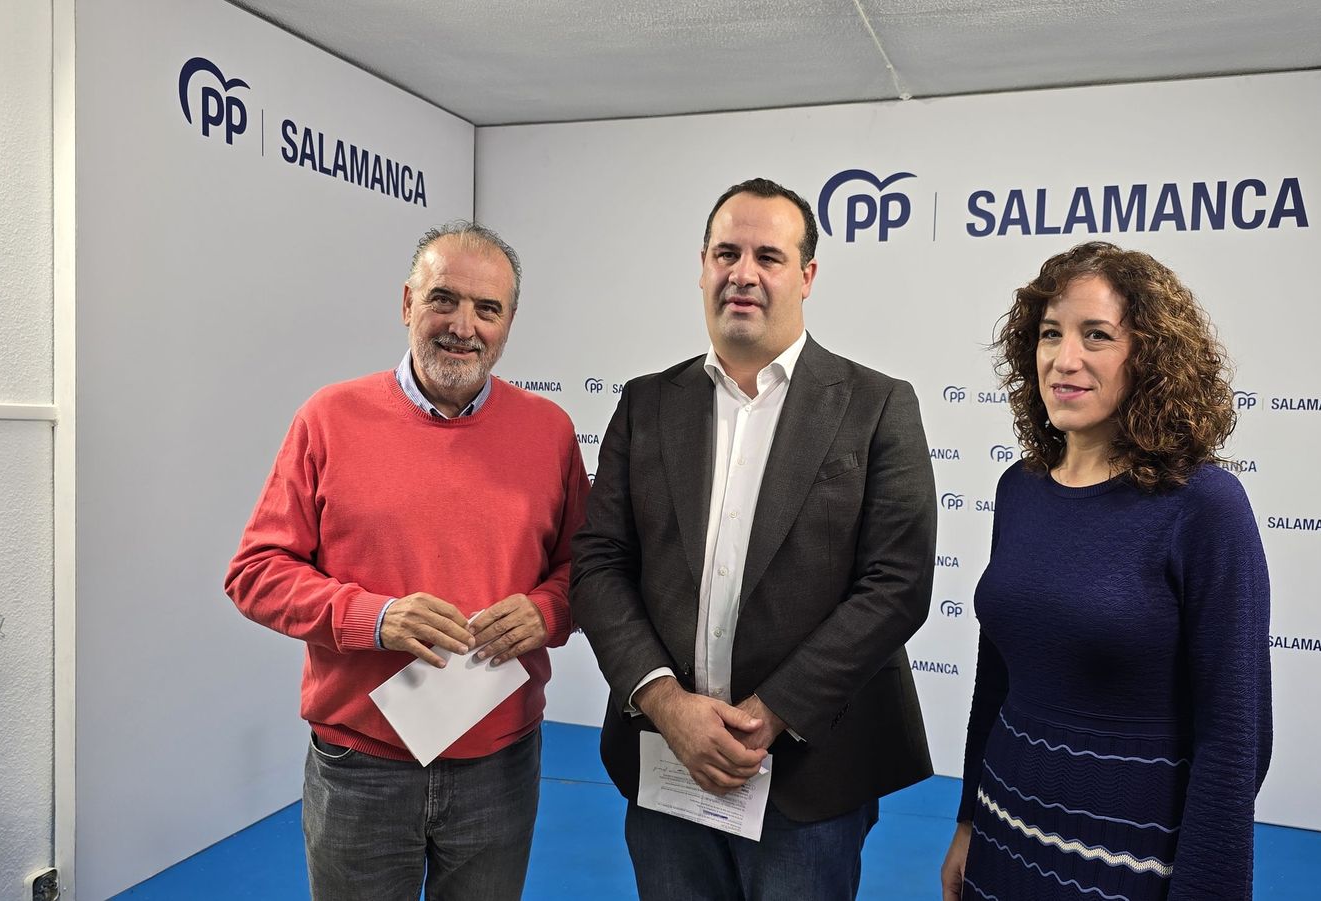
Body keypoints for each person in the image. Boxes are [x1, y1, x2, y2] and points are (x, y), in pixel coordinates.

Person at [570, 177, 938, 900]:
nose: (743, 273)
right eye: (726, 252)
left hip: (811, 775)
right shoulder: (646, 403)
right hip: (665, 763)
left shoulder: (877, 404)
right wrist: (668, 705)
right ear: (702, 266)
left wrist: (769, 715)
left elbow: (897, 584)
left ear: (806, 276)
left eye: (768, 255)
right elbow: (599, 564)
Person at [224, 222, 588, 901]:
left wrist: (547, 610)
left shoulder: (550, 431)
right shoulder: (328, 418)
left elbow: (588, 570)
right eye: (443, 299)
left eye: (488, 308)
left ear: (509, 321)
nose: (463, 325)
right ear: (406, 302)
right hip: (361, 765)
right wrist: (376, 616)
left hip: (499, 765)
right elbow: (255, 570)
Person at [940, 241, 1272, 901]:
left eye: (1096, 335)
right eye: (1050, 335)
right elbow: (995, 682)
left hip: (1130, 865)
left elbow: (1235, 739)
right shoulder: (1019, 489)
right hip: (1004, 843)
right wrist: (968, 821)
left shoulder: (1204, 507)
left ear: (1149, 356)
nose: (1065, 360)